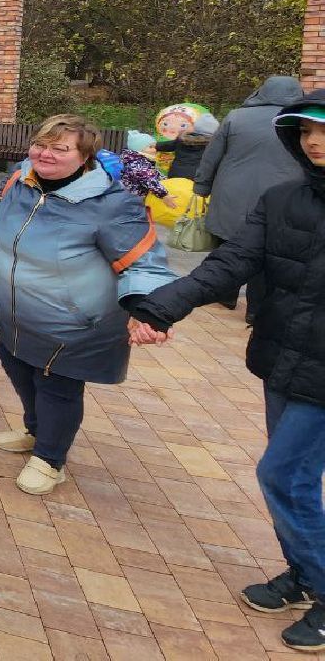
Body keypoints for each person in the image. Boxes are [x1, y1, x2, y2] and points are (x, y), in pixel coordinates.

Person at [128, 91, 325, 654]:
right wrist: (159, 306)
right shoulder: (282, 198)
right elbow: (229, 264)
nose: (313, 142)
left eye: (324, 133)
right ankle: (306, 574)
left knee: (282, 476)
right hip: (283, 358)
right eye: (306, 132)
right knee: (294, 480)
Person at [0, 114, 175, 496]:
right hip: (17, 311)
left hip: (74, 322)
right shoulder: (18, 181)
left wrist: (146, 312)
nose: (46, 154)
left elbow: (142, 260)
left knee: (56, 385)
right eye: (41, 145)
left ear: (85, 156)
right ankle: (36, 430)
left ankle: (51, 458)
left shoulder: (111, 203)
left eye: (60, 148)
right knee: (16, 364)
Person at [193, 76, 304, 323]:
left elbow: (212, 155)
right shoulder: (299, 121)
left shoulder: (236, 117)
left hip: (232, 192)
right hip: (281, 195)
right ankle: (256, 309)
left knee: (228, 244)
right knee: (267, 250)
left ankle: (226, 293)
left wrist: (201, 186)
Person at [157, 111, 219, 181]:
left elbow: (165, 146)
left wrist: (154, 145)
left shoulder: (181, 140)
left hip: (175, 175)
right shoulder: (214, 145)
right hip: (197, 178)